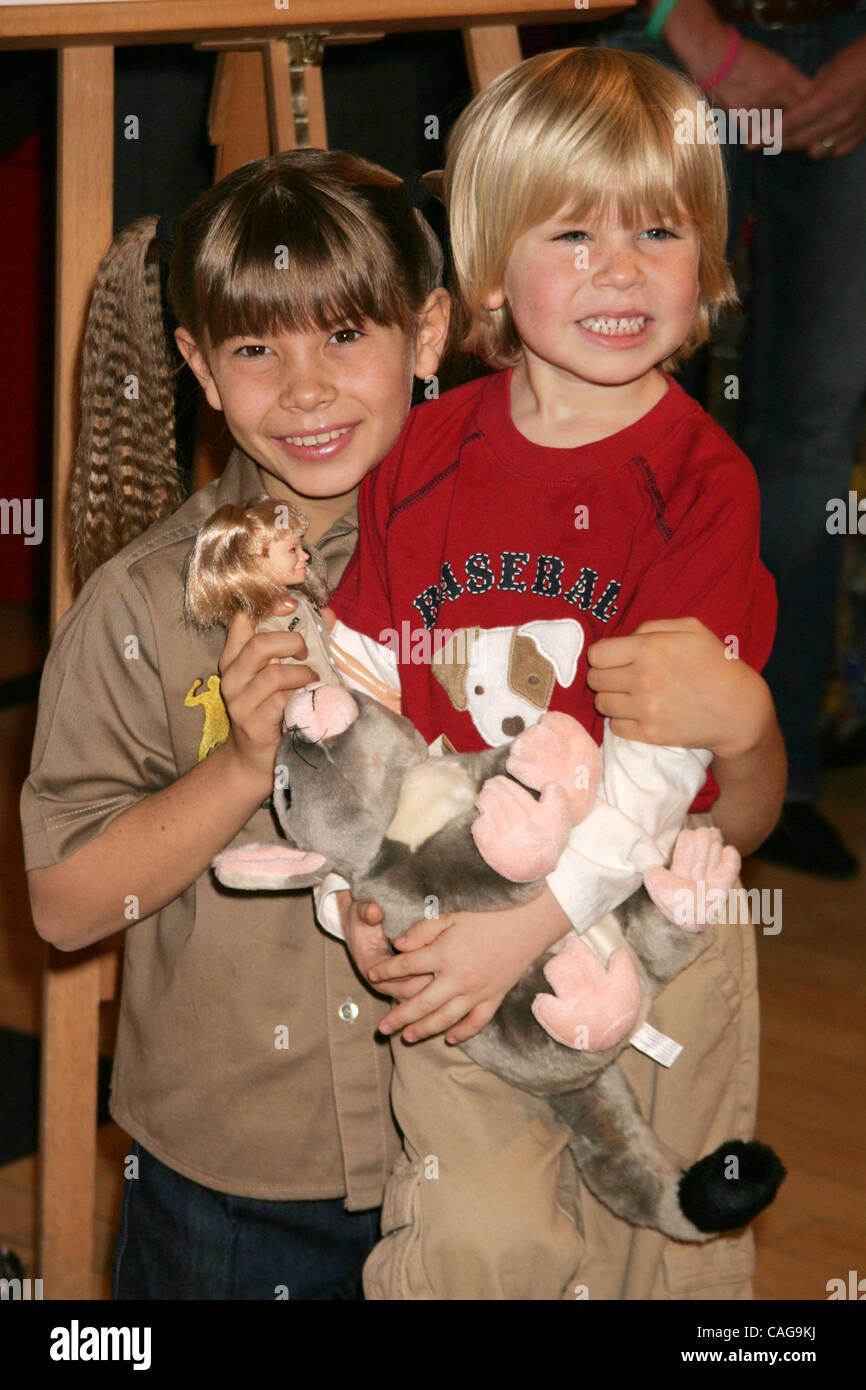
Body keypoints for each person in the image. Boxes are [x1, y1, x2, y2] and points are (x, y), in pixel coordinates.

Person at [325, 47, 786, 1300]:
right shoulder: (415, 455)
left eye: (657, 229)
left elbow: (660, 760)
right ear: (485, 267)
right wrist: (356, 893)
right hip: (458, 925)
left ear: (709, 258)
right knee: (473, 1247)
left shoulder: (702, 483)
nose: (622, 270)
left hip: (657, 925)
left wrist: (536, 923)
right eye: (571, 234)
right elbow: (353, 690)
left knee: (671, 1244)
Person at [21, 149, 450, 1300]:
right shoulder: (143, 603)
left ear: (430, 332)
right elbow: (65, 909)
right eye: (258, 348)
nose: (304, 390)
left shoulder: (499, 565)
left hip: (475, 1145)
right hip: (234, 1186)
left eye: (347, 334)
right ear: (200, 366)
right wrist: (240, 765)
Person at [589, 0, 866, 876]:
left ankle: (772, 781)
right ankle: (589, 749)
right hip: (664, 31)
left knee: (813, 437)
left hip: (848, 43)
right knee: (615, 403)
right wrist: (686, 23)